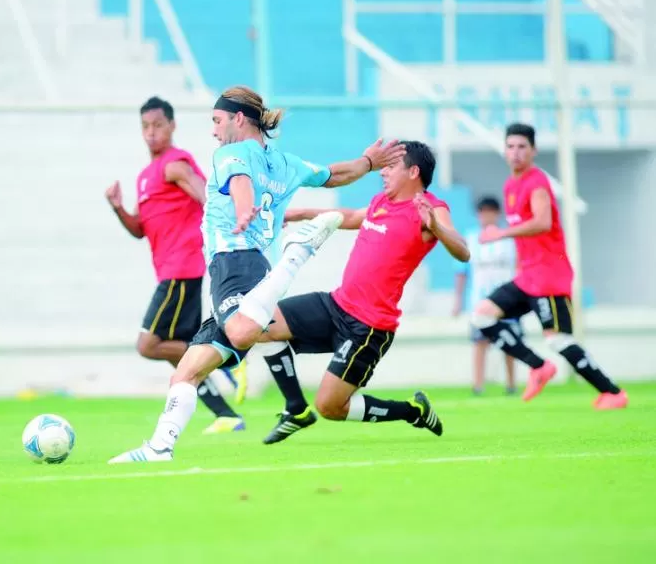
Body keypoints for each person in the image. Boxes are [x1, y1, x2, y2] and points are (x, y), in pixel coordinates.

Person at [108, 85, 406, 463]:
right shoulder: (285, 163)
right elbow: (332, 174)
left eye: (217, 121)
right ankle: (159, 447)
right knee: (185, 371)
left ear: (237, 118)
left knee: (241, 331)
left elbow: (241, 184)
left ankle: (297, 255)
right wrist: (367, 161)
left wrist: (245, 209)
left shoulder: (230, 152)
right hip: (247, 270)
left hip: (235, 264)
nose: (214, 131)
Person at [249, 141, 469, 443]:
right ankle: (296, 409)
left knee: (330, 407)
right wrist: (299, 213)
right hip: (336, 305)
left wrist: (438, 228)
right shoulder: (381, 201)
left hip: (368, 326)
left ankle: (413, 411)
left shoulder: (432, 209)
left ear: (413, 171)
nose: (383, 172)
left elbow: (463, 252)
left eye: (391, 166)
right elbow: (350, 216)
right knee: (259, 324)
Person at [105, 96, 244, 434]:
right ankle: (227, 415)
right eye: (145, 127)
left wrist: (236, 221)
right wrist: (118, 208)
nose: (151, 133)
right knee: (180, 354)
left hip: (181, 270)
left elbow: (206, 197)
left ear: (171, 126)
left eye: (157, 125)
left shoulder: (174, 165)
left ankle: (225, 359)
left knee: (149, 345)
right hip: (171, 269)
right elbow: (140, 230)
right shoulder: (145, 176)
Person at [470, 123, 628, 409]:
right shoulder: (510, 186)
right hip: (527, 277)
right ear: (505, 150)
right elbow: (524, 237)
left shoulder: (537, 183)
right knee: (482, 316)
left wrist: (500, 233)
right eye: (511, 146)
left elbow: (542, 222)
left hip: (548, 276)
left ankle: (613, 393)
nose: (515, 153)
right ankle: (538, 367)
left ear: (533, 151)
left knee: (558, 340)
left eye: (522, 147)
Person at [453, 196, 520, 396]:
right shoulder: (471, 239)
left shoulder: (510, 239)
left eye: (491, 212)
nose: (487, 216)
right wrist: (457, 301)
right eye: (484, 212)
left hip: (508, 301)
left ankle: (511, 384)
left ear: (498, 214)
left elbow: (520, 268)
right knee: (480, 342)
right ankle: (478, 385)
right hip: (480, 301)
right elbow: (461, 272)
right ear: (478, 215)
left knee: (511, 342)